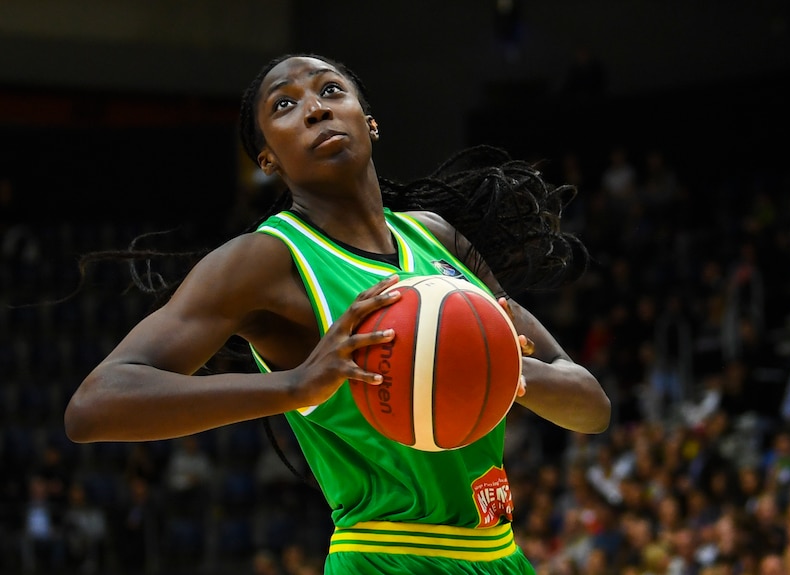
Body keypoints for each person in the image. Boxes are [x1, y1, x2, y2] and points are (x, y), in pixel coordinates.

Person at [64, 53, 610, 574]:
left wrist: (508, 372)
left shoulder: (437, 237)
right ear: (267, 160)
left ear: (369, 123)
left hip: (501, 554)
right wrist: (294, 387)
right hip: (384, 556)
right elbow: (95, 404)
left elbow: (592, 406)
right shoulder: (265, 260)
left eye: (330, 90)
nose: (315, 108)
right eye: (284, 105)